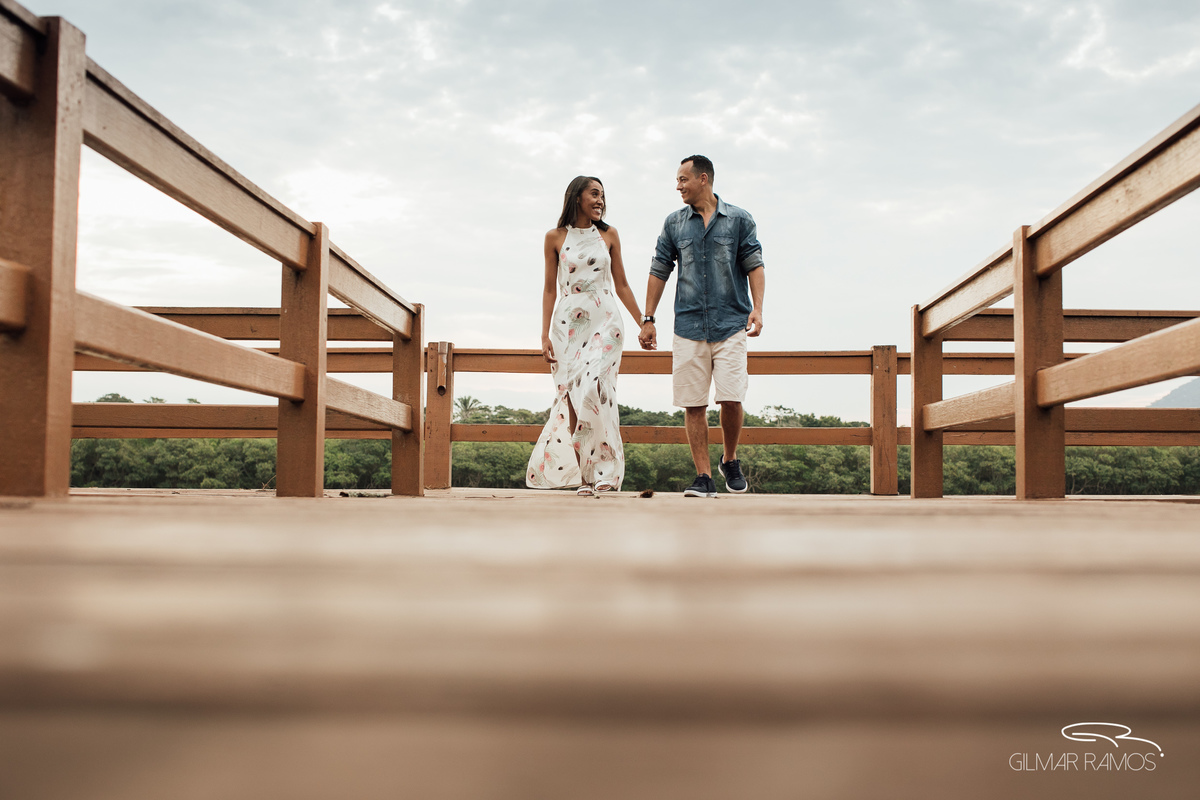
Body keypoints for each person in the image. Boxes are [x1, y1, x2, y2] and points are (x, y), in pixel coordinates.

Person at [638, 155, 765, 497]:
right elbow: (659, 269)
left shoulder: (739, 220)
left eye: (683, 179)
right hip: (689, 324)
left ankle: (730, 458)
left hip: (731, 322)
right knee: (693, 403)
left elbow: (755, 265)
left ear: (703, 179)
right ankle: (704, 476)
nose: (677, 185)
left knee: (732, 397)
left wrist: (758, 309)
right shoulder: (674, 223)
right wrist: (648, 318)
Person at [527, 176, 645, 495]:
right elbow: (550, 288)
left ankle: (607, 469)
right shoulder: (554, 237)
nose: (600, 200)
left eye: (603, 196)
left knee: (596, 388)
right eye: (594, 194)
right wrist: (543, 335)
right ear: (576, 197)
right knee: (573, 396)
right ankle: (585, 476)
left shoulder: (608, 235)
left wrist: (644, 322)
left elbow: (621, 284)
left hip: (605, 319)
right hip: (567, 324)